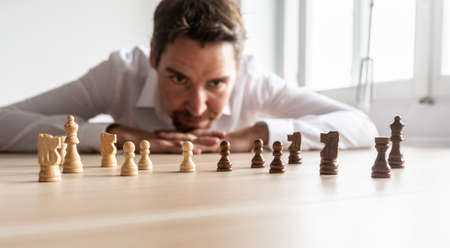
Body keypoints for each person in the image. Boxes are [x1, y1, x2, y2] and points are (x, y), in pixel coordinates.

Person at [0, 0, 378, 154]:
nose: (198, 107)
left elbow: (361, 125)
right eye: (179, 79)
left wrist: (255, 135)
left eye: (216, 84)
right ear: (152, 56)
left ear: (238, 67)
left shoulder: (253, 78)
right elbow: (3, 123)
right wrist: (112, 135)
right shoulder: (120, 73)